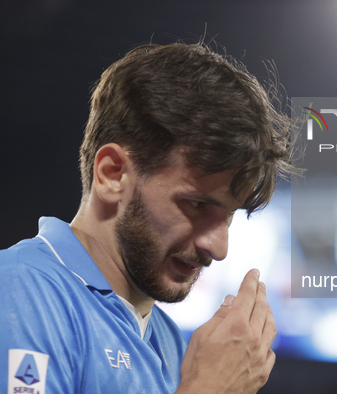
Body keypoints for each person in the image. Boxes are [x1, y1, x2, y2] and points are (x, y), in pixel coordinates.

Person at [0, 42, 299, 393]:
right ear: (112, 175)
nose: (218, 248)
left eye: (229, 215)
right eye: (197, 205)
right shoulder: (18, 290)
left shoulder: (172, 343)